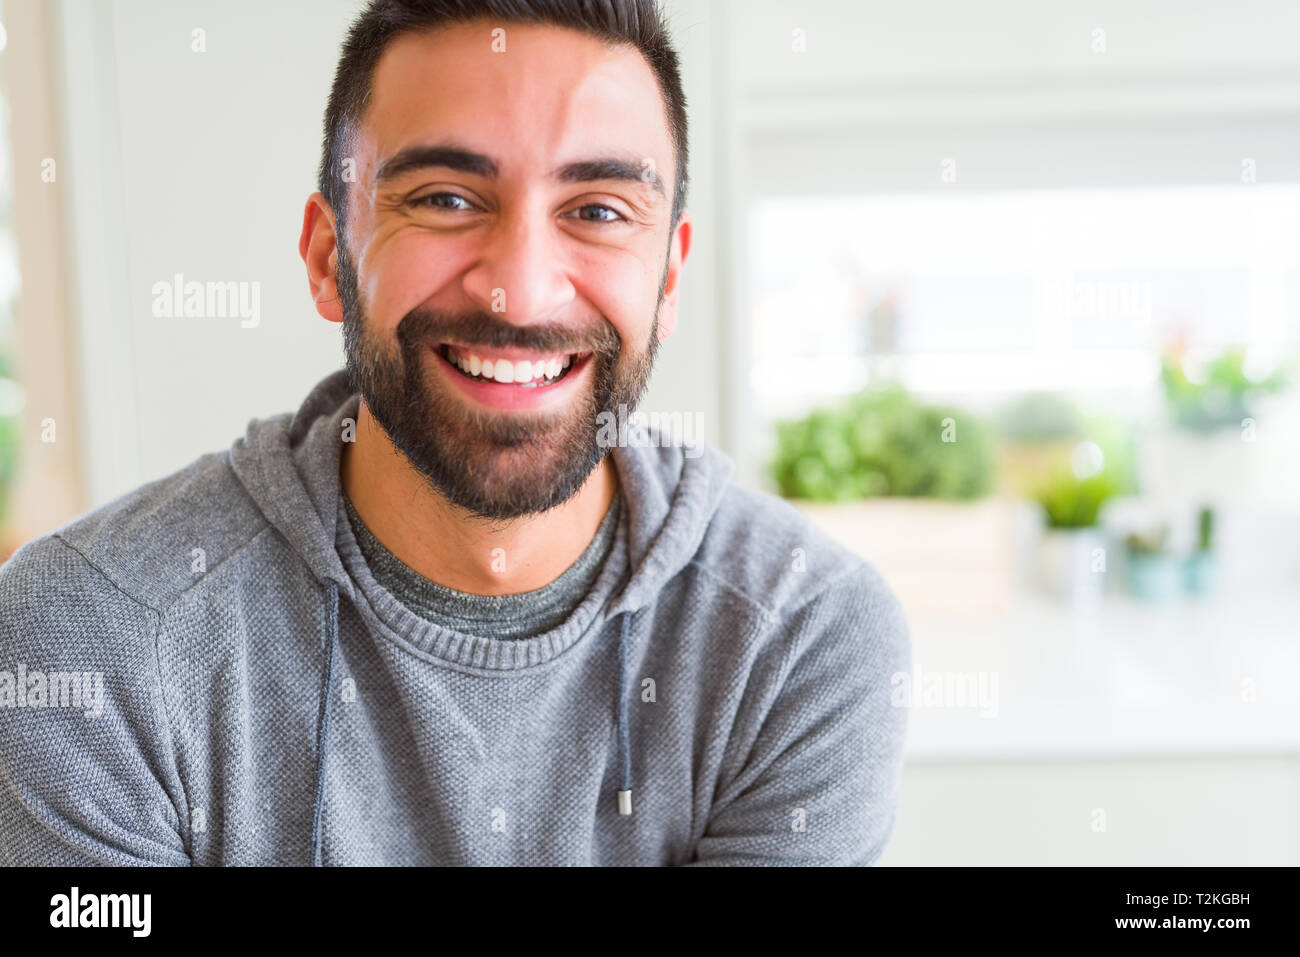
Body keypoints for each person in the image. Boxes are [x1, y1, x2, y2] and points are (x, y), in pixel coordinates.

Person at [0, 0, 909, 865]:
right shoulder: (92, 639)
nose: (519, 287)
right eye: (444, 198)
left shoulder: (799, 638)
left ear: (668, 281)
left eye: (596, 210)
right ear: (328, 258)